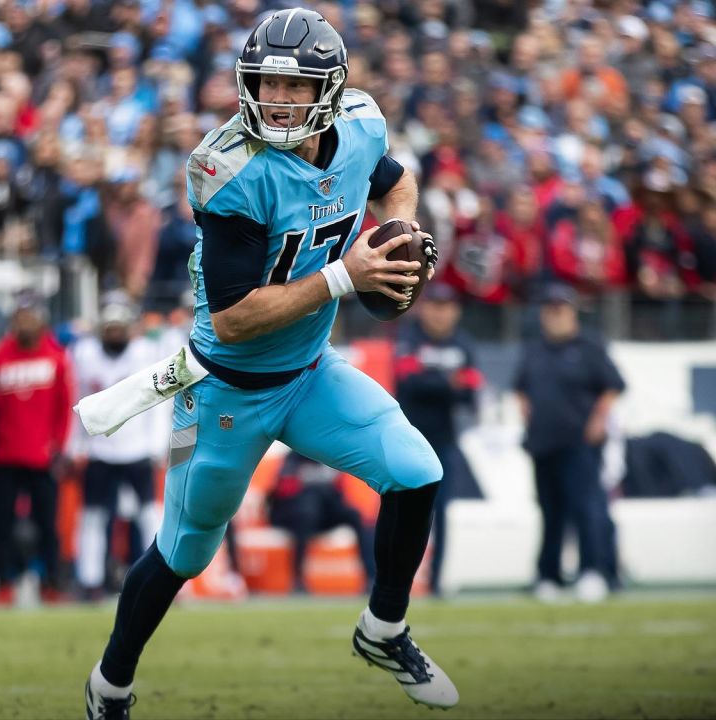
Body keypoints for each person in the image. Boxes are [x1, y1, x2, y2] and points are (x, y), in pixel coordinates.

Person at [83, 11, 455, 718]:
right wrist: (348, 277)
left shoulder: (359, 126)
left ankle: (383, 628)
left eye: (294, 85)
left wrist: (402, 230)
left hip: (311, 374)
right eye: (267, 83)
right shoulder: (230, 169)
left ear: (330, 88)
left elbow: (396, 184)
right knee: (186, 551)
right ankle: (111, 683)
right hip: (226, 388)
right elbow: (233, 316)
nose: (278, 99)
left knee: (416, 470)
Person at [513, 284, 624, 604]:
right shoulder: (534, 348)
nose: (555, 315)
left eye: (561, 308)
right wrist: (525, 412)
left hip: (580, 443)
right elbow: (520, 387)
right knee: (550, 512)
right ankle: (549, 575)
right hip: (543, 443)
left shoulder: (589, 346)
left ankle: (594, 570)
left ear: (573, 312)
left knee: (587, 509)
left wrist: (599, 420)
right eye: (550, 309)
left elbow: (613, 386)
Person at [0, 293, 73, 605]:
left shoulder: (57, 357)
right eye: (21, 316)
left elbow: (65, 408)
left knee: (47, 525)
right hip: (4, 456)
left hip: (41, 457)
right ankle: (5, 582)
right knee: (2, 524)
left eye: (31, 316)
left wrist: (59, 447)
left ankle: (52, 583)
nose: (26, 322)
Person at [393, 283, 482, 597]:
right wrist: (448, 382)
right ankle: (393, 581)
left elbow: (471, 391)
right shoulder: (409, 336)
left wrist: (433, 379)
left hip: (444, 441)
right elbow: (408, 381)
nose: (440, 313)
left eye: (447, 306)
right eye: (435, 305)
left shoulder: (463, 342)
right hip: (407, 441)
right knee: (401, 513)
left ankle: (437, 580)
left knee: (441, 513)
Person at [69, 299, 162, 599]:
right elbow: (77, 399)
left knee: (149, 514)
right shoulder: (84, 354)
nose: (114, 334)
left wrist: (156, 444)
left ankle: (159, 577)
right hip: (99, 448)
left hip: (137, 447)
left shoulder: (145, 353)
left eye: (119, 328)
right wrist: (77, 445)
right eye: (109, 328)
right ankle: (90, 579)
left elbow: (160, 401)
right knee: (93, 516)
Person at [266, 452, 375, 594]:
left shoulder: (332, 455)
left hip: (324, 513)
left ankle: (371, 578)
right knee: (305, 514)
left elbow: (338, 494)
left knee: (356, 516)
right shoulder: (295, 455)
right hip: (294, 515)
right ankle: (298, 580)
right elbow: (282, 490)